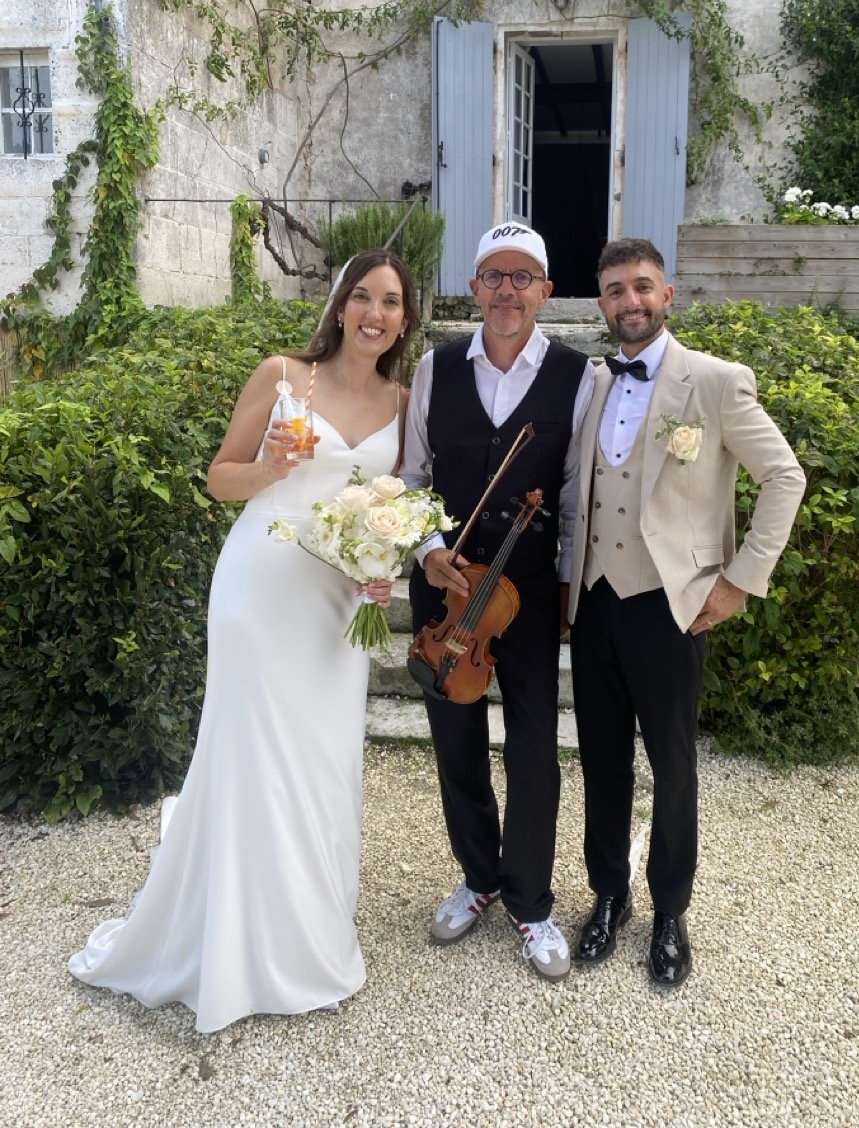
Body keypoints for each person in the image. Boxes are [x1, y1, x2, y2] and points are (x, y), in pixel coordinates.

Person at [69, 250, 418, 1032]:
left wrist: (379, 564)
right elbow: (218, 476)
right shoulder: (285, 374)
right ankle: (229, 944)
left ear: (405, 319)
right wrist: (269, 466)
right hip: (261, 587)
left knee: (323, 761)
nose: (374, 312)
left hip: (335, 601)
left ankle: (306, 936)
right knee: (251, 752)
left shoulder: (405, 397)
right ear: (337, 305)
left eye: (391, 302)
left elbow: (389, 499)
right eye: (361, 295)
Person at [568, 237, 806, 987]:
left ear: (667, 295)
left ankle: (670, 909)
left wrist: (738, 581)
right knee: (601, 762)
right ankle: (610, 895)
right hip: (594, 601)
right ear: (601, 303)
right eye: (614, 290)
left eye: (642, 287)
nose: (629, 302)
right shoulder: (590, 384)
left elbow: (784, 476)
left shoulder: (715, 382)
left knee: (672, 767)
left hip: (673, 606)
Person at [401, 222, 595, 981]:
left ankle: (531, 900)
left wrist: (572, 589)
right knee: (454, 738)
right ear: (474, 287)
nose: (507, 289)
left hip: (529, 594)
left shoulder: (580, 376)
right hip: (447, 592)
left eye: (523, 276)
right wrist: (428, 551)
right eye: (493, 275)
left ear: (545, 291)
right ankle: (479, 877)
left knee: (535, 745)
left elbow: (577, 497)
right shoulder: (434, 367)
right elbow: (413, 479)